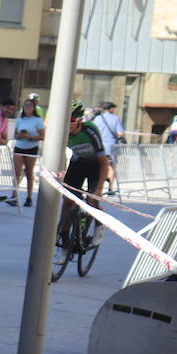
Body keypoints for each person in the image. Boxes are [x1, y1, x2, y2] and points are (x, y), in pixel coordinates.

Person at [57, 101, 112, 247]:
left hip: (95, 165)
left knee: (92, 201)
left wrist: (99, 189)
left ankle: (99, 227)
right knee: (68, 201)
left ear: (80, 120)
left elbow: (103, 162)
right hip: (78, 163)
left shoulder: (90, 130)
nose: (68, 125)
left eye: (72, 121)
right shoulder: (61, 132)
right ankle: (64, 238)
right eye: (65, 121)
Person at [12, 96, 44, 207]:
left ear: (34, 107)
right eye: (26, 105)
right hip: (19, 146)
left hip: (31, 148)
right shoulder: (20, 119)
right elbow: (15, 135)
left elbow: (42, 136)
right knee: (17, 172)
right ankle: (14, 195)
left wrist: (30, 137)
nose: (27, 107)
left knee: (29, 173)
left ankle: (29, 197)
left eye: (30, 105)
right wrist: (20, 136)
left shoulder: (38, 120)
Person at [90, 100, 125, 193]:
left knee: (99, 165)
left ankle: (97, 186)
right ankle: (110, 188)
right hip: (111, 146)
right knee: (112, 166)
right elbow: (120, 133)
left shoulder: (97, 119)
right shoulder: (115, 118)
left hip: (99, 146)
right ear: (111, 109)